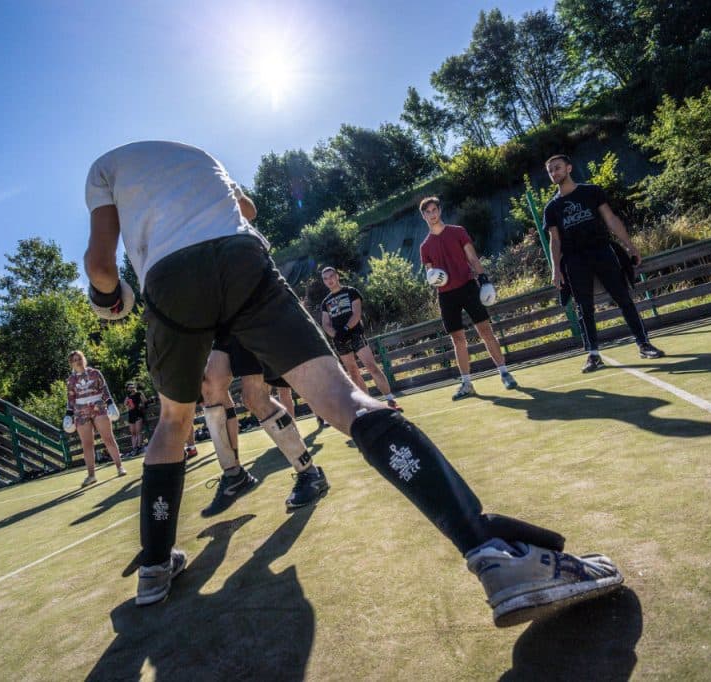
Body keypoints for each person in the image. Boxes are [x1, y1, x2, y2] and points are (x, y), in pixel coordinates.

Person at [84, 140, 622, 625]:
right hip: (239, 256)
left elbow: (101, 267)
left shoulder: (104, 169)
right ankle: (490, 551)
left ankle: (154, 566)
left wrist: (110, 299)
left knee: (174, 422)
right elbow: (245, 211)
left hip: (170, 281)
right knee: (347, 400)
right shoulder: (200, 157)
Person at [542, 154, 664, 373]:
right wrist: (556, 269)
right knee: (584, 308)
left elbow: (611, 219)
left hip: (601, 250)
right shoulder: (551, 208)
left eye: (557, 168)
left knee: (623, 298)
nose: (554, 173)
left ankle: (644, 344)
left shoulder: (591, 191)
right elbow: (555, 240)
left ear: (569, 168)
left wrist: (630, 246)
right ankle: (593, 355)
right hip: (574, 259)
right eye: (550, 171)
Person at [199, 334, 328, 517]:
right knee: (210, 388)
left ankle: (311, 474)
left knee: (254, 396)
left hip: (249, 317)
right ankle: (234, 475)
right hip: (225, 326)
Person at [418, 197, 518, 399]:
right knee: (458, 340)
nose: (432, 214)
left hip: (468, 287)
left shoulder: (458, 231)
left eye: (434, 209)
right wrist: (433, 278)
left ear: (440, 210)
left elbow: (472, 258)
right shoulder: (424, 247)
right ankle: (466, 384)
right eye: (427, 212)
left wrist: (484, 279)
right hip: (446, 295)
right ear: (423, 216)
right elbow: (431, 274)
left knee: (485, 331)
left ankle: (505, 373)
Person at [319, 267, 402, 411]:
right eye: (325, 278)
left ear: (337, 276)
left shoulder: (351, 292)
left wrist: (345, 329)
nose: (329, 280)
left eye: (331, 276)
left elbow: (356, 314)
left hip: (356, 335)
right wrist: (336, 335)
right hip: (340, 341)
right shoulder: (325, 302)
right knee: (353, 372)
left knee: (371, 366)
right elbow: (325, 324)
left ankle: (390, 400)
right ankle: (369, 405)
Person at [63, 351, 127, 485]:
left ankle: (120, 467)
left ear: (83, 359)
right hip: (80, 411)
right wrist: (69, 414)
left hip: (98, 406)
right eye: (74, 360)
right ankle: (91, 475)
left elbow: (104, 389)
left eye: (79, 358)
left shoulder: (95, 373)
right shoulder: (70, 380)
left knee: (108, 438)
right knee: (87, 444)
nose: (78, 361)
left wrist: (110, 403)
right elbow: (70, 398)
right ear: (71, 363)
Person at [123, 381, 148, 458]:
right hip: (131, 414)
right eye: (129, 387)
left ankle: (139, 446)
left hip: (138, 413)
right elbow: (125, 404)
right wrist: (127, 401)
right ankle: (134, 448)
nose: (131, 388)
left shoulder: (139, 393)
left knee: (138, 431)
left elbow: (145, 401)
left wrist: (142, 406)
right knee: (133, 432)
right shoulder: (128, 396)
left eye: (132, 387)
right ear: (128, 389)